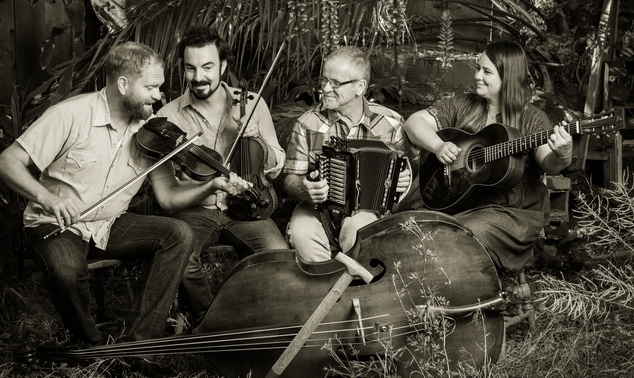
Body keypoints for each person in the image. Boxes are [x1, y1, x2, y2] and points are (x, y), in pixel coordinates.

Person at [0, 41, 251, 347]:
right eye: (152, 87)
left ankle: (141, 344)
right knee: (67, 270)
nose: (159, 96)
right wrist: (49, 199)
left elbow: (168, 198)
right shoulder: (70, 114)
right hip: (56, 223)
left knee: (179, 234)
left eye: (160, 87)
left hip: (110, 224)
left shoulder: (153, 134)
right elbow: (6, 162)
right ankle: (94, 347)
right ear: (124, 84)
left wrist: (210, 185)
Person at [154, 25, 289, 321]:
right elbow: (168, 188)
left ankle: (257, 318)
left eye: (207, 67)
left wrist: (259, 140)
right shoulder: (168, 118)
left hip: (247, 206)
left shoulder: (251, 104)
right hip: (196, 210)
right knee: (183, 255)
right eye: (190, 68)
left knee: (278, 255)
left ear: (223, 66)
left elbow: (276, 167)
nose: (198, 77)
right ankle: (210, 320)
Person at [403, 40, 573, 273]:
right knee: (410, 227)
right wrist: (438, 145)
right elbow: (414, 122)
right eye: (477, 68)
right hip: (458, 199)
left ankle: (464, 291)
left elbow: (547, 161)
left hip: (511, 211)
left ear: (508, 77)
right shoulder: (464, 104)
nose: (477, 76)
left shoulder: (532, 118)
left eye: (486, 71)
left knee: (459, 233)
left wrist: (563, 155)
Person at [283, 45, 414, 262]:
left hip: (368, 211)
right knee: (301, 232)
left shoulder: (390, 123)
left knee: (358, 228)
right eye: (323, 81)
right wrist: (303, 190)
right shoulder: (308, 125)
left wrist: (403, 180)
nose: (324, 89)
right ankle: (321, 287)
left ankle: (357, 288)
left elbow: (409, 168)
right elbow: (290, 179)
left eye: (335, 83)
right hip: (317, 209)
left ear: (360, 86)